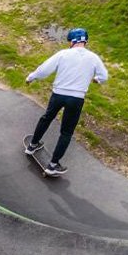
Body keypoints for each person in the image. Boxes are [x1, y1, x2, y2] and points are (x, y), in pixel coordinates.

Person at [25, 28, 108, 176]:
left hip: (58, 94)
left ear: (72, 41)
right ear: (85, 41)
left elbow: (44, 69)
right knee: (66, 132)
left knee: (46, 118)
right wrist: (97, 80)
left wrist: (31, 77)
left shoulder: (63, 54)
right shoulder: (94, 58)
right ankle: (53, 165)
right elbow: (104, 76)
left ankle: (32, 146)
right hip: (76, 99)